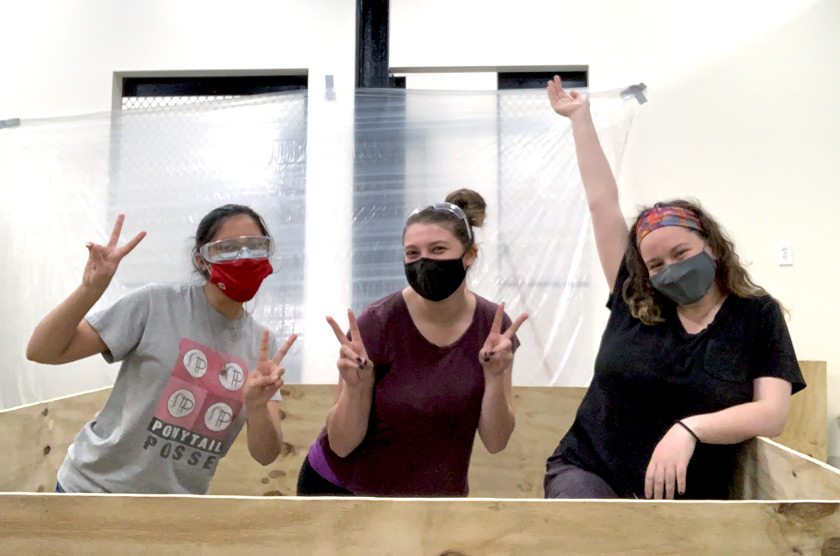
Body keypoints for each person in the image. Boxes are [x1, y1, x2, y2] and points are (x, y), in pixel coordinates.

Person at [543, 76, 806, 500]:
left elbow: (771, 413)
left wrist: (690, 428)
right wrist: (580, 120)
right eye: (657, 264)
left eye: (682, 253)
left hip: (691, 496)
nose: (671, 269)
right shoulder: (634, 299)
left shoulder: (756, 315)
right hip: (594, 472)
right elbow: (602, 205)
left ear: (713, 248)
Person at [26, 205, 297, 494]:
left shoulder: (262, 345)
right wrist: (90, 289)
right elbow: (43, 351)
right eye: (228, 248)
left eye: (254, 246)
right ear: (201, 259)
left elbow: (266, 454)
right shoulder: (155, 304)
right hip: (92, 490)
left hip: (174, 512)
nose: (243, 257)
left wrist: (256, 407)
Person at [297, 189, 528, 497]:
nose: (424, 262)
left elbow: (496, 441)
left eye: (438, 249)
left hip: (432, 506)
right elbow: (341, 444)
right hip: (346, 493)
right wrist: (355, 388)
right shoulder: (378, 323)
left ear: (470, 255)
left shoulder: (494, 328)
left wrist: (495, 377)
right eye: (413, 254)